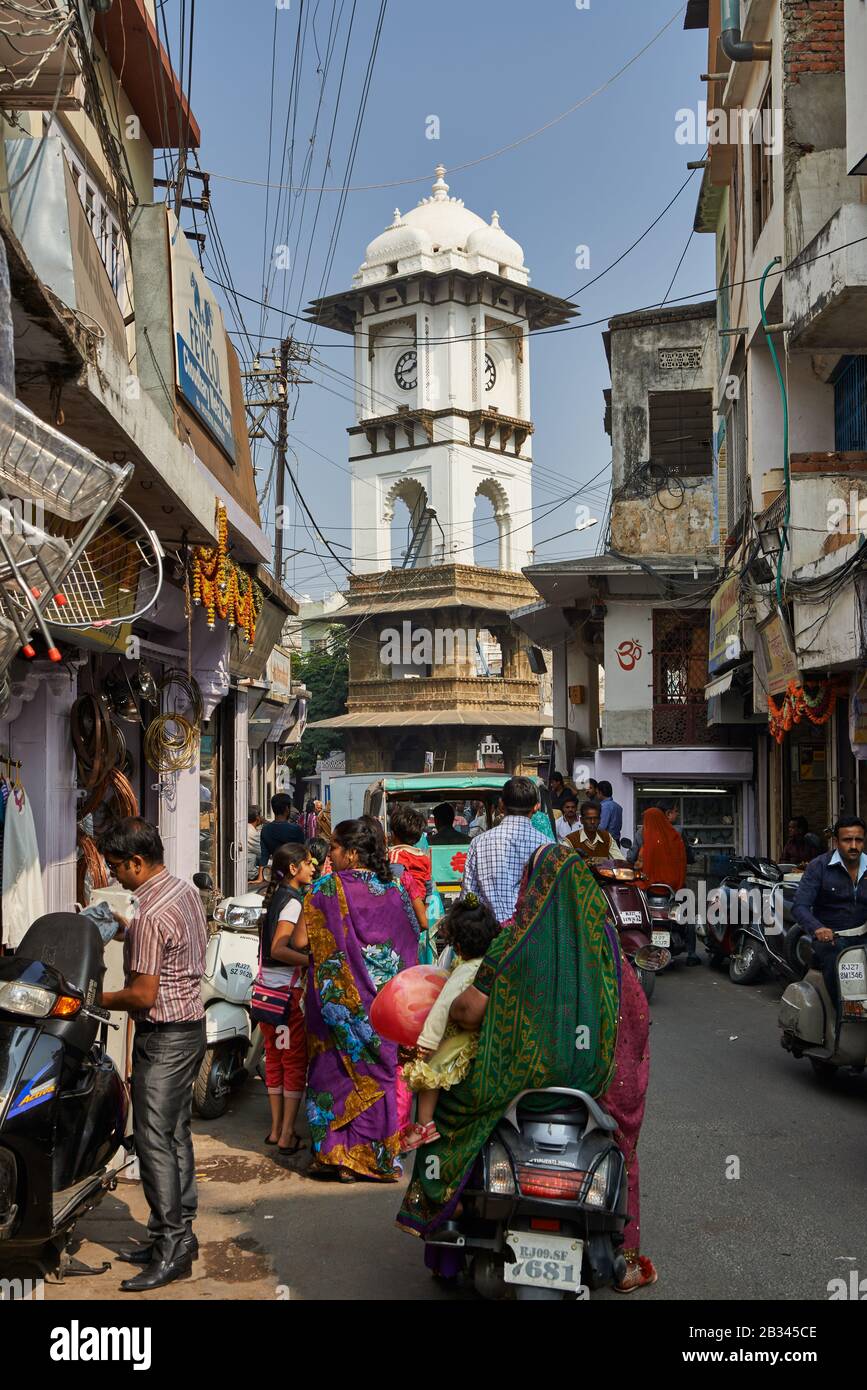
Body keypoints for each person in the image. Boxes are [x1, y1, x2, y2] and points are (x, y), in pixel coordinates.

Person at [397, 841, 655, 1293]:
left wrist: (452, 1009)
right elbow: (633, 1023)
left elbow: (469, 1013)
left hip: (516, 1080)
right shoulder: (606, 947)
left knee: (443, 1116)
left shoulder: (515, 939)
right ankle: (623, 1255)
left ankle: (445, 1212)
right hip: (593, 1085)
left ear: (533, 887)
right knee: (618, 1151)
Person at [97, 817, 207, 1292]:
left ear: (138, 863)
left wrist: (91, 998)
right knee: (174, 1134)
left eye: (118, 867)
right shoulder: (180, 890)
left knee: (153, 1142)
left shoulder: (149, 917)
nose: (114, 876)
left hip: (164, 1035)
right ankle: (177, 1234)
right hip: (190, 1027)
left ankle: (172, 1249)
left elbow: (141, 995)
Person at [291, 818, 421, 1181]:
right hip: (382, 1008)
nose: (328, 854)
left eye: (333, 847)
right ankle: (375, 1160)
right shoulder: (395, 890)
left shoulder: (324, 889)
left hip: (336, 1005)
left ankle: (337, 1158)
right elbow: (410, 941)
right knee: (377, 1080)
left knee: (333, 1075)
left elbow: (300, 942)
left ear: (350, 853)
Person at [400, 894, 500, 1150]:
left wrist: (426, 1042)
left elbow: (442, 1007)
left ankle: (424, 1125)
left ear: (457, 943)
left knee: (430, 1071)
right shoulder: (491, 964)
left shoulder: (465, 969)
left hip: (458, 1040)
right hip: (481, 1038)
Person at [258, 843, 316, 1155]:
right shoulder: (293, 902)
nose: (313, 868)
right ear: (294, 869)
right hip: (287, 995)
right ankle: (286, 1133)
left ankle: (275, 1129)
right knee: (293, 1063)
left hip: (267, 994)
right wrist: (311, 961)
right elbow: (279, 948)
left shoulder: (276, 897)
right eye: (308, 864)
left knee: (276, 1060)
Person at [793, 814, 867, 1007]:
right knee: (840, 969)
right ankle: (844, 1015)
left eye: (858, 840)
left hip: (863, 935)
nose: (853, 845)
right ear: (836, 841)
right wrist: (817, 928)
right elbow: (800, 906)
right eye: (847, 840)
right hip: (832, 939)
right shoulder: (819, 866)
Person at [462, 776, 553, 924]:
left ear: (502, 805)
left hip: (491, 936)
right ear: (536, 807)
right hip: (531, 934)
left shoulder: (479, 843)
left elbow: (469, 896)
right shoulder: (547, 845)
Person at [388, 803, 431, 938]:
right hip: (419, 909)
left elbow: (394, 885)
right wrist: (423, 911)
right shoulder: (423, 858)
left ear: (393, 834)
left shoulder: (396, 854)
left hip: (402, 910)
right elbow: (429, 887)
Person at [258, 793, 305, 868]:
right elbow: (303, 853)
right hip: (294, 871)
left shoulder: (265, 830)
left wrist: (260, 876)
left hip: (276, 870)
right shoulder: (296, 829)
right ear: (287, 809)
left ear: (273, 809)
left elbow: (264, 856)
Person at [247, 806, 264, 881]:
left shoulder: (248, 827)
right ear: (257, 818)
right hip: (249, 872)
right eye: (260, 815)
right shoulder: (251, 832)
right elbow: (262, 852)